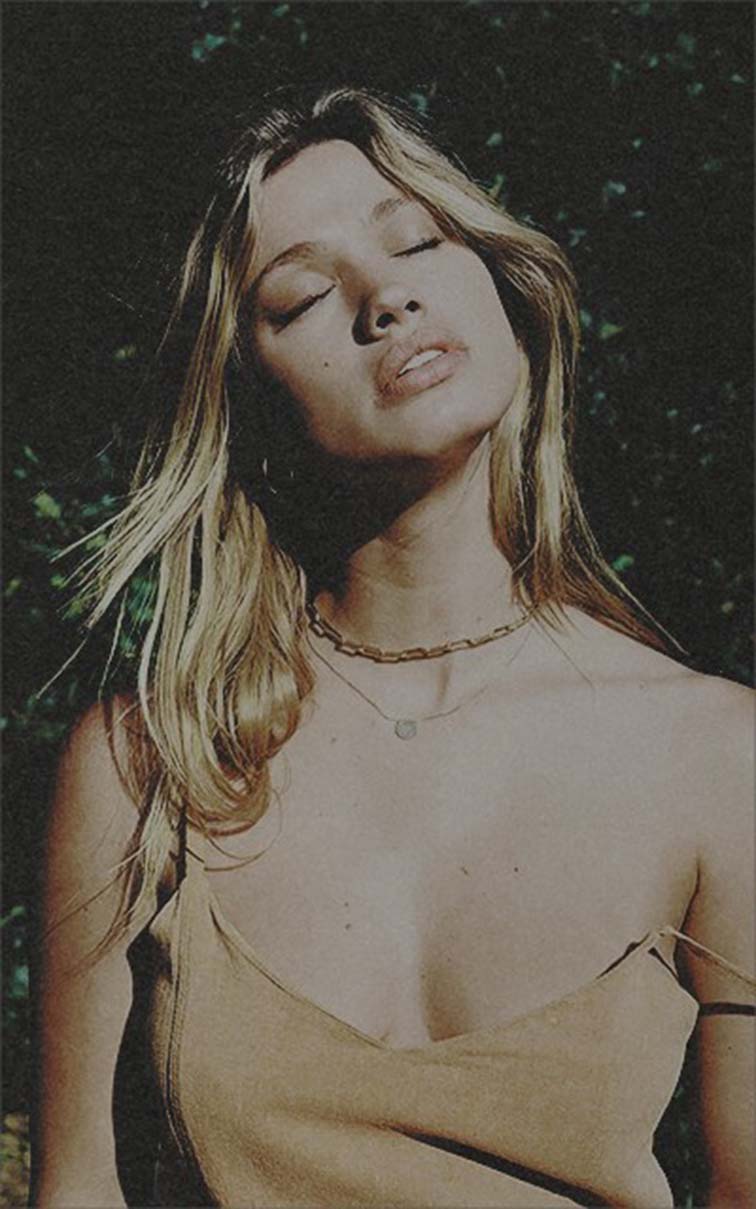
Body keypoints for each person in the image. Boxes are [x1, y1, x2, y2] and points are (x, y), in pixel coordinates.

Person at [31, 85, 754, 1209]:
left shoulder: (717, 754)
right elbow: (75, 1190)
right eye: (304, 296)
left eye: (417, 240)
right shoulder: (147, 762)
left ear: (500, 286)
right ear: (248, 400)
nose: (388, 298)